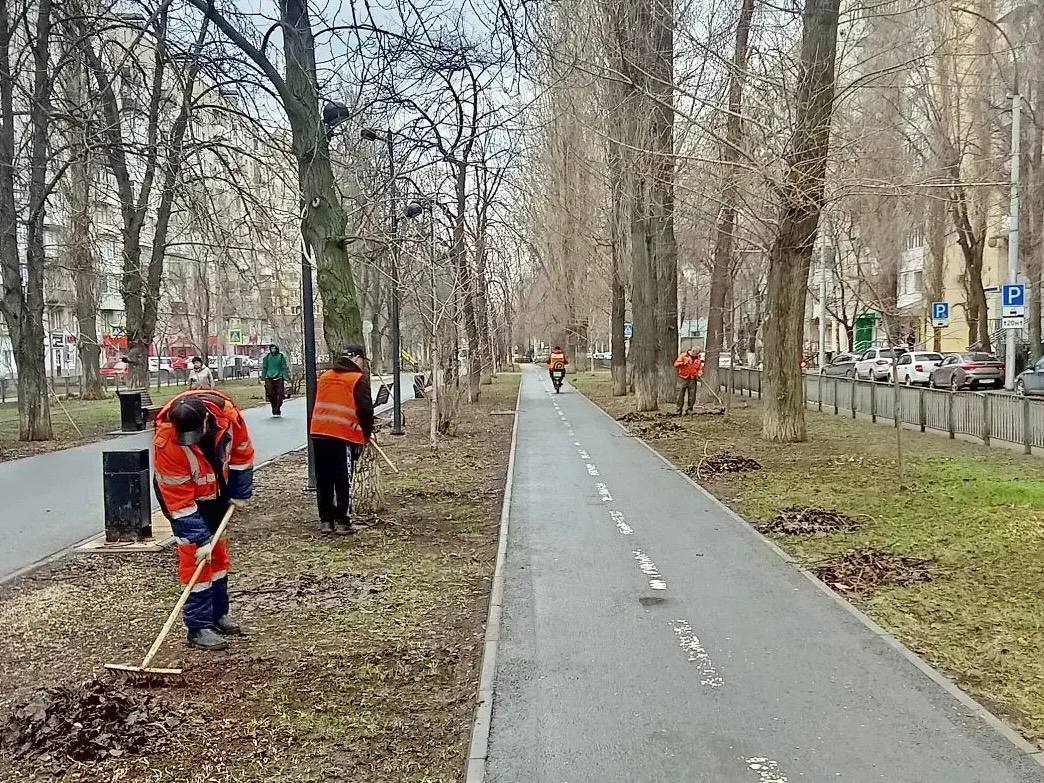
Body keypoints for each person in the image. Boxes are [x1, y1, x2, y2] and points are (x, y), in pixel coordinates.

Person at [153, 389, 254, 650]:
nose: (190, 440)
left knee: (218, 556)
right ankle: (198, 626)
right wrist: (199, 539)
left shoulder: (229, 419)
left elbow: (242, 453)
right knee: (195, 558)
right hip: (185, 500)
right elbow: (178, 500)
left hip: (217, 491)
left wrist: (240, 491)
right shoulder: (167, 441)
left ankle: (218, 614)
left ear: (207, 420)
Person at [309, 345, 374, 535]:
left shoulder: (325, 376)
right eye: (362, 361)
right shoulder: (357, 379)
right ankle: (343, 521)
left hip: (319, 432)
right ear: (356, 359)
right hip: (342, 435)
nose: (363, 365)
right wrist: (366, 435)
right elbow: (365, 410)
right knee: (342, 478)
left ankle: (326, 521)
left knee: (324, 479)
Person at [261, 343, 290, 417]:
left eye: (274, 348)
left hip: (279, 377)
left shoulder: (280, 356)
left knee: (279, 395)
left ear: (276, 349)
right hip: (269, 377)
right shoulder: (267, 357)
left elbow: (284, 367)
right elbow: (264, 367)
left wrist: (285, 378)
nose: (273, 350)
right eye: (272, 348)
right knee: (270, 394)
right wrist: (263, 378)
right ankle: (273, 407)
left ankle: (277, 410)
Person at [674, 348, 703, 415]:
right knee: (680, 395)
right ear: (693, 352)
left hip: (692, 379)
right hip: (682, 378)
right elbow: (676, 364)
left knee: (692, 395)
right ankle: (678, 410)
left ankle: (690, 409)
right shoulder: (683, 356)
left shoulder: (697, 359)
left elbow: (700, 368)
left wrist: (699, 373)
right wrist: (683, 363)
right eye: (697, 354)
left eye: (698, 354)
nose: (698, 355)